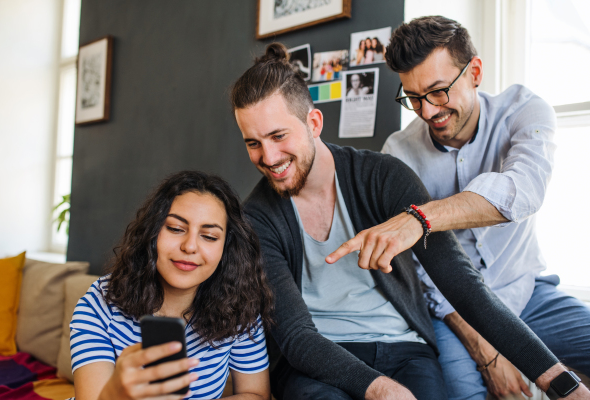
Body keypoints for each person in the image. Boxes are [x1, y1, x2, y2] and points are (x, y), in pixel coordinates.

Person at [230, 42, 589, 400]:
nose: (269, 157)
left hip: (404, 349)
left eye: (278, 136)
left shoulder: (384, 176)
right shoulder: (257, 218)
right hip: (320, 359)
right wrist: (379, 389)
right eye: (253, 143)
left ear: (314, 122)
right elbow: (295, 336)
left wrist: (559, 381)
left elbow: (462, 284)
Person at [381, 16, 590, 400]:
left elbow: (522, 191)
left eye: (438, 91)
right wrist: (487, 351)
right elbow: (424, 275)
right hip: (453, 311)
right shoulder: (398, 152)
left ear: (474, 71)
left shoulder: (524, 111)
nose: (427, 111)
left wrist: (423, 219)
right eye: (413, 98)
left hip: (527, 292)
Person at [69, 171, 274, 400]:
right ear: (152, 232)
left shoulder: (239, 306)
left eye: (209, 236)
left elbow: (255, 394)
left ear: (226, 248)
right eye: (176, 229)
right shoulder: (99, 303)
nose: (189, 247)